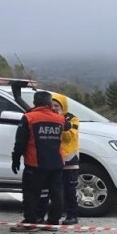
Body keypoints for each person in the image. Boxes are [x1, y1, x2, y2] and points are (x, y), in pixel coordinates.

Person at [11, 90, 65, 230]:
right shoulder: (60, 119)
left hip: (35, 163)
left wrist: (15, 159)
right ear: (49, 103)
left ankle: (30, 222)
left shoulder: (29, 117)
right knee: (56, 193)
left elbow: (20, 142)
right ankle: (53, 222)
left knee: (31, 193)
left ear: (35, 102)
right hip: (56, 163)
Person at [47, 93, 81, 224]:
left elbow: (68, 137)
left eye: (57, 105)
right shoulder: (49, 118)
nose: (54, 108)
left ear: (63, 106)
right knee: (55, 190)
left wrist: (60, 120)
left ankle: (72, 215)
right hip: (54, 159)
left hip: (69, 160)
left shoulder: (73, 119)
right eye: (52, 105)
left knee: (69, 190)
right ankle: (56, 214)